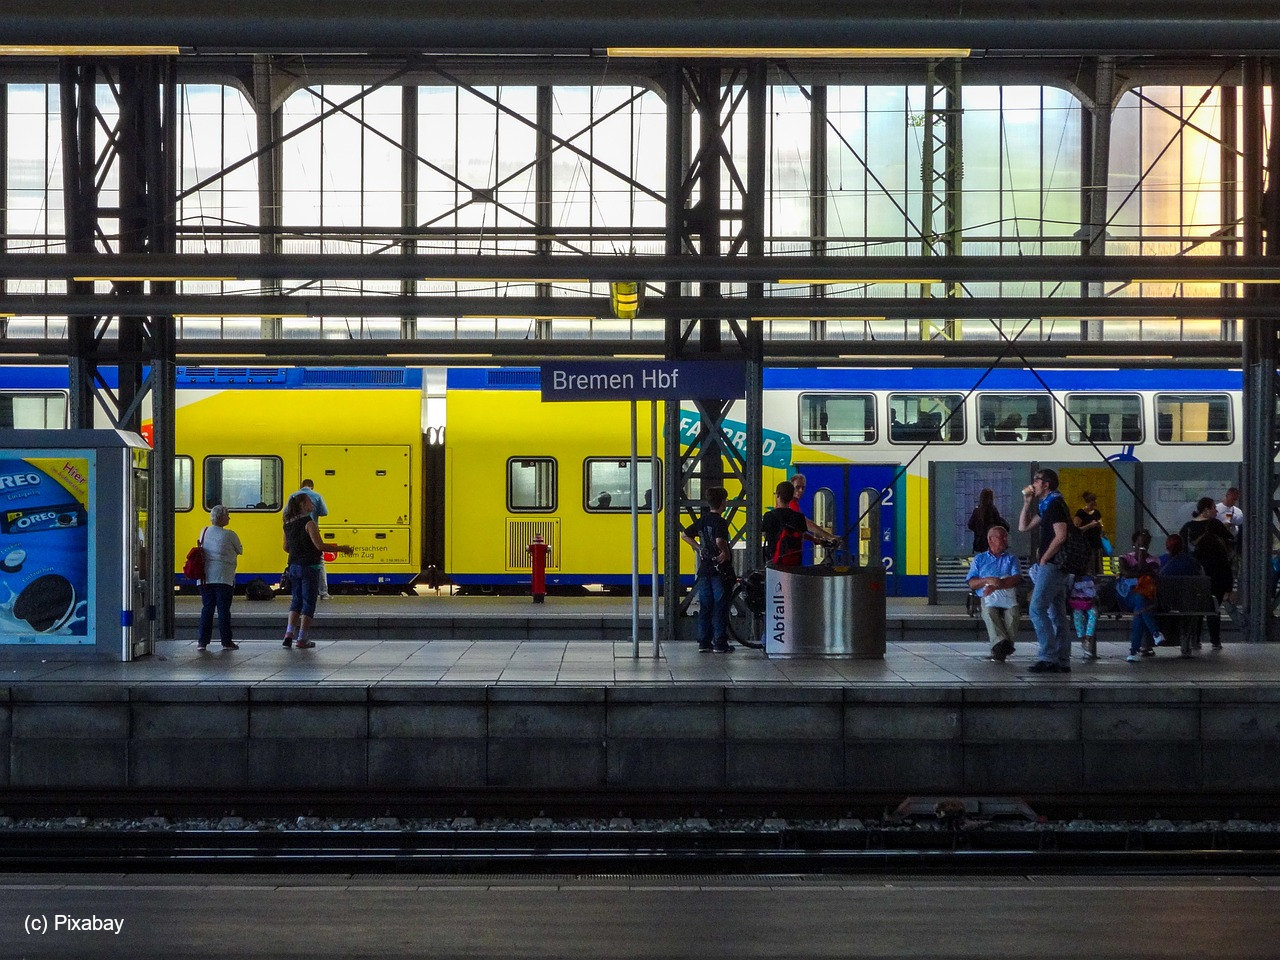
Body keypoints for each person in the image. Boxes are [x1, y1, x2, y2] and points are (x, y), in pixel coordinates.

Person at [1018, 467, 1073, 673]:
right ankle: (1062, 659)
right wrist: (1027, 503)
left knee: (1036, 608)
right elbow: (1023, 527)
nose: (1033, 483)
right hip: (1055, 565)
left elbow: (1061, 535)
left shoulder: (1056, 505)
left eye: (1037, 480)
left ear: (1046, 484)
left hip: (1053, 565)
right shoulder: (1047, 505)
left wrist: (1044, 558)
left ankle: (1048, 656)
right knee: (1057, 612)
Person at [282, 491, 352, 649]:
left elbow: (286, 547)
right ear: (302, 505)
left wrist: (297, 549)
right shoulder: (309, 523)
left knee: (296, 601)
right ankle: (302, 638)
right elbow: (319, 546)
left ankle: (288, 634)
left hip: (293, 566)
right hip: (309, 566)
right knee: (308, 602)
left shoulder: (287, 523)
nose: (312, 504)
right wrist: (341, 548)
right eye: (309, 502)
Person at [680, 486, 732, 653]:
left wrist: (699, 548)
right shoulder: (720, 522)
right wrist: (724, 552)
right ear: (722, 502)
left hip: (704, 570)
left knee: (705, 606)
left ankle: (704, 642)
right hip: (718, 570)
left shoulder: (702, 520)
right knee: (720, 606)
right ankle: (720, 642)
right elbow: (719, 541)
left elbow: (684, 535)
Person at [1180, 497, 1235, 650]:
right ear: (1206, 510)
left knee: (1196, 608)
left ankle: (1195, 639)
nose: (1216, 511)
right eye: (1213, 508)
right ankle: (1215, 640)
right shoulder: (1216, 525)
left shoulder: (1187, 528)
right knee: (1213, 609)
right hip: (1215, 575)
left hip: (1195, 575)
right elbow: (1228, 549)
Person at [965, 524, 1022, 662]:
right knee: (989, 612)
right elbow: (972, 582)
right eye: (1001, 537)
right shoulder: (980, 559)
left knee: (1013, 614)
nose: (1005, 540)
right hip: (987, 595)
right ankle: (1003, 646)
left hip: (1006, 594)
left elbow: (1016, 578)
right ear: (991, 540)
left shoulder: (1011, 559)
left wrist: (998, 585)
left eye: (1005, 537)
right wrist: (987, 581)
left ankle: (1000, 646)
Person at [197, 504, 243, 651]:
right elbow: (240, 550)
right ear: (222, 517)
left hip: (205, 577)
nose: (229, 517)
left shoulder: (203, 531)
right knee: (223, 610)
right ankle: (226, 641)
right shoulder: (229, 534)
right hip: (223, 577)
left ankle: (202, 642)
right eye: (227, 515)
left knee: (207, 609)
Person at [1118, 528, 1167, 660]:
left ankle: (1133, 652)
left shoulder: (1154, 560)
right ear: (1134, 543)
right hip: (1126, 597)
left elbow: (1140, 571)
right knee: (1140, 603)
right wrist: (1142, 568)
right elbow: (1126, 573)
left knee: (1139, 608)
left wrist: (1141, 559)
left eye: (1145, 545)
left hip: (1145, 598)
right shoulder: (1124, 558)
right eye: (1140, 544)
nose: (1142, 548)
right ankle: (1155, 633)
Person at [763, 481, 834, 566]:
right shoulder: (799, 517)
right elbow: (801, 535)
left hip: (776, 563)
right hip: (795, 564)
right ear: (791, 497)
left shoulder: (769, 516)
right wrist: (816, 540)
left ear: (777, 494)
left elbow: (765, 534)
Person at [290, 479, 333, 599]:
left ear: (301, 486)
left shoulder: (293, 496)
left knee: (296, 559)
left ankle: (297, 594)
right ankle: (323, 592)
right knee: (319, 562)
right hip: (312, 531)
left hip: (296, 532)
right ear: (312, 487)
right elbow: (324, 512)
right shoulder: (317, 496)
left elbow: (286, 513)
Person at [788, 473, 839, 551]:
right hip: (790, 551)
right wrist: (830, 536)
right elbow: (806, 523)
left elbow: (798, 530)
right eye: (797, 487)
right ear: (791, 488)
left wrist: (815, 539)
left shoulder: (795, 503)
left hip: (794, 550)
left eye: (803, 487)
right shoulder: (791, 504)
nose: (801, 490)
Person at [966, 488, 1009, 555]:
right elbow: (998, 525)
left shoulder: (977, 510)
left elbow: (970, 525)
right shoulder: (993, 510)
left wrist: (978, 531)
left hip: (979, 542)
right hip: (992, 542)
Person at [1073, 490, 1105, 575]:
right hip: (1086, 545)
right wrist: (1090, 525)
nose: (1093, 505)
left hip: (1097, 544)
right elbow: (1076, 530)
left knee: (1098, 569)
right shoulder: (1081, 513)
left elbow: (1101, 525)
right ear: (1088, 502)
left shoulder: (1097, 512)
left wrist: (1099, 525)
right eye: (1092, 503)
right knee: (1089, 569)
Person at [1069, 574, 1099, 660]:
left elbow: (1092, 593)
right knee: (1077, 616)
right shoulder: (1072, 577)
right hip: (1077, 603)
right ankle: (1084, 640)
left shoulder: (1089, 579)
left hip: (1088, 602)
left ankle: (1087, 639)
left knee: (1093, 614)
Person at [1215, 487, 1243, 552]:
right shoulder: (1216, 509)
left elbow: (1240, 522)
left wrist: (1232, 522)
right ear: (1227, 495)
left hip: (1232, 541)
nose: (1234, 501)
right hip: (1218, 540)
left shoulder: (1238, 511)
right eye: (1232, 499)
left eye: (1236, 499)